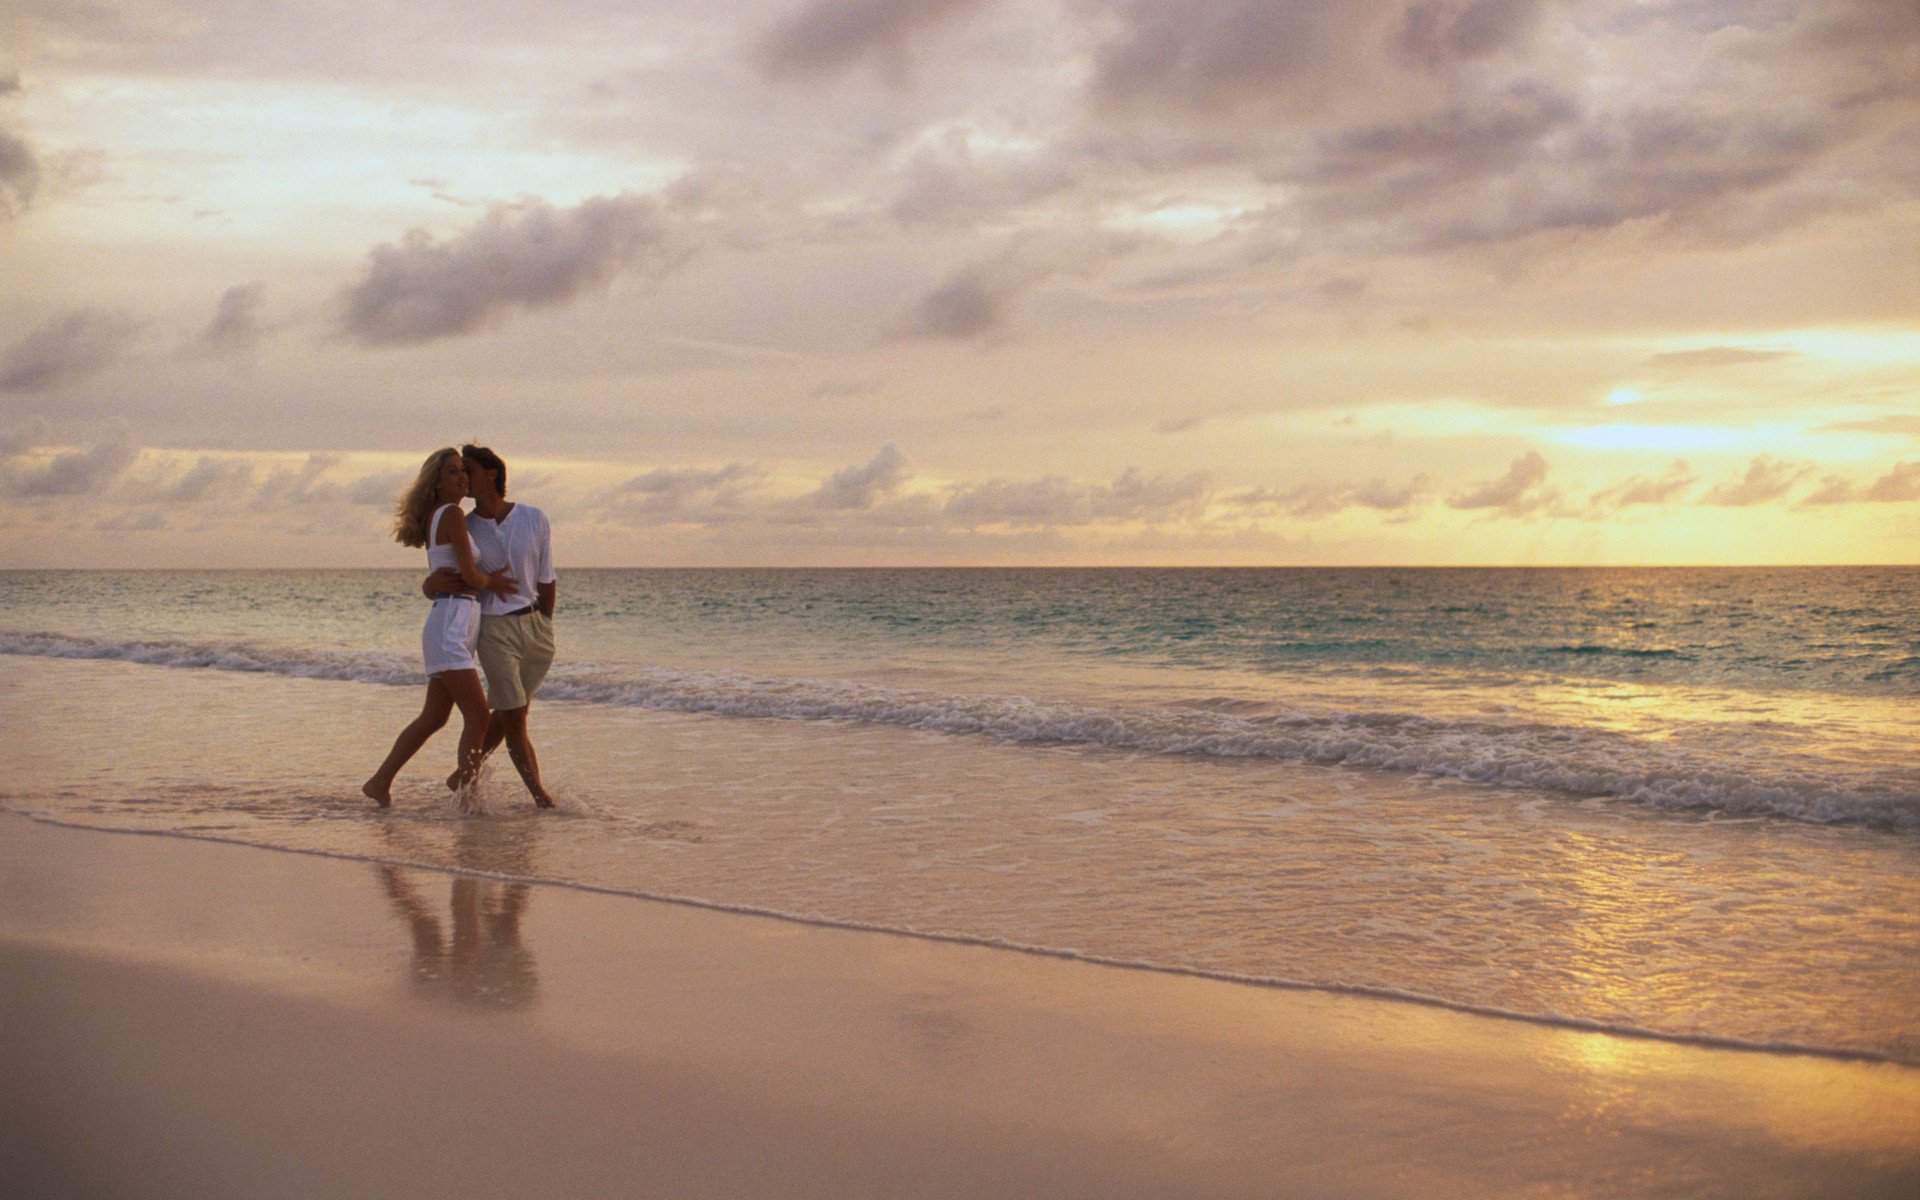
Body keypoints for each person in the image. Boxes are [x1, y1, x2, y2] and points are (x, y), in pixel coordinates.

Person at [362, 448, 516, 808]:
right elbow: (468, 576)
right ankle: (467, 792)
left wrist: (443, 583)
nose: (461, 477)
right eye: (451, 472)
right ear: (437, 481)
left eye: (463, 471)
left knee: (433, 717)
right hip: (451, 624)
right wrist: (491, 581)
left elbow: (452, 575)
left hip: (452, 622)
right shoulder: (451, 513)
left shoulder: (440, 515)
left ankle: (380, 781)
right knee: (478, 714)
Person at [424, 443, 558, 808]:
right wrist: (430, 584)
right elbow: (444, 568)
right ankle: (541, 799)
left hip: (535, 629)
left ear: (492, 474)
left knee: (513, 711)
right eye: (458, 470)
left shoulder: (534, 518)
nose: (464, 477)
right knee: (513, 718)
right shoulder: (462, 524)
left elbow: (546, 579)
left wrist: (544, 623)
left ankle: (463, 775)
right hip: (493, 628)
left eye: (469, 469)